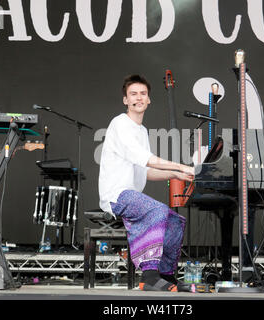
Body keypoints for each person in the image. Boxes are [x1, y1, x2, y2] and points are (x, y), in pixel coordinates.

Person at [99, 75, 195, 292]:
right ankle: (149, 276)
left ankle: (166, 275)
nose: (138, 98)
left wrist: (175, 175)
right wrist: (181, 167)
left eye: (143, 94)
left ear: (149, 99)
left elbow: (146, 170)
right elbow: (146, 158)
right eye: (133, 94)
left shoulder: (141, 131)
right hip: (116, 196)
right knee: (157, 210)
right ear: (125, 100)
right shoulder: (120, 123)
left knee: (175, 220)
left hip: (131, 195)